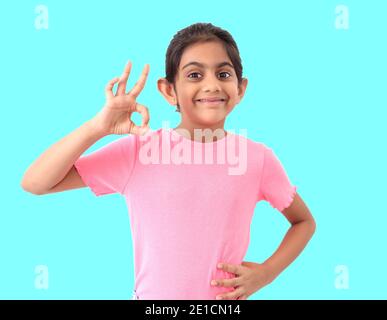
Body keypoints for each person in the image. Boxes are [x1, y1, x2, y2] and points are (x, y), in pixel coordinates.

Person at [21, 22, 316, 300]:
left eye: (223, 74)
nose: (212, 85)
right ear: (168, 90)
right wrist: (97, 127)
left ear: (240, 88)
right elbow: (36, 183)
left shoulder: (257, 158)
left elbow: (303, 222)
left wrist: (266, 273)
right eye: (194, 75)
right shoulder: (139, 151)